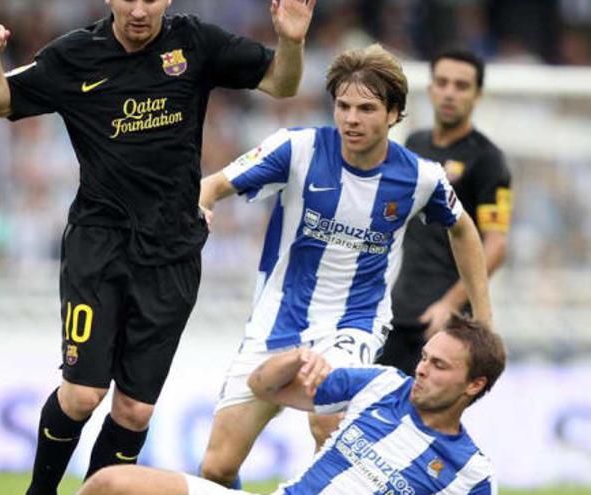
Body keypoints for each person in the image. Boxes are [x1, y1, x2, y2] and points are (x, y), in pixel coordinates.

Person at [0, 1, 317, 493]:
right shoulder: (75, 54)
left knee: (134, 409)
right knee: (83, 395)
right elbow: (0, 101)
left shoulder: (195, 42)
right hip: (99, 245)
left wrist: (292, 41)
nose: (138, 9)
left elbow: (281, 83)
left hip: (173, 253)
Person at [195, 44, 493, 488]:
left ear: (394, 113)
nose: (351, 118)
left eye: (367, 108)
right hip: (275, 321)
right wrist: (201, 207)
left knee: (327, 421)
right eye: (343, 106)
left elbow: (464, 230)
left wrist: (483, 317)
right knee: (218, 467)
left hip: (354, 326)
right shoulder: (294, 149)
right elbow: (211, 186)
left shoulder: (421, 177)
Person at [78, 315, 505, 495]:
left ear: (474, 384)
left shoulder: (471, 473)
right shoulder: (382, 384)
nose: (423, 369)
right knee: (110, 484)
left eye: (440, 366)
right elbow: (263, 386)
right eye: (425, 357)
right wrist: (297, 358)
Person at [379, 49, 511, 376]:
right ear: (431, 89)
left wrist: (450, 305)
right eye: (443, 82)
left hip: (443, 321)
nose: (450, 92)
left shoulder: (488, 160)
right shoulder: (415, 143)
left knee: (424, 418)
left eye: (461, 85)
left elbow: (496, 245)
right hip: (398, 307)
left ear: (477, 95)